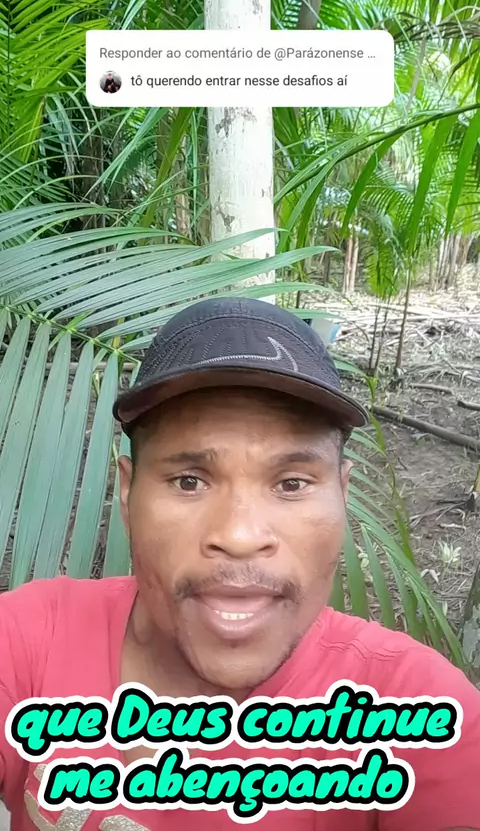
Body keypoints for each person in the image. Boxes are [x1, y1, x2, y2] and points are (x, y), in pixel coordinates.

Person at [0, 296, 479, 831]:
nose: (239, 535)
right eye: (189, 481)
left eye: (291, 484)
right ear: (129, 494)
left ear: (342, 497)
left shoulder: (415, 706)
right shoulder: (28, 643)